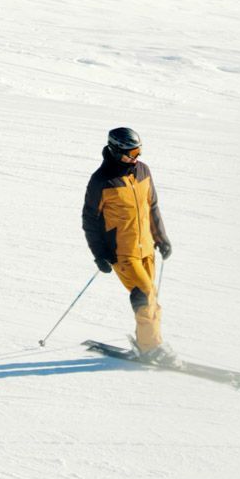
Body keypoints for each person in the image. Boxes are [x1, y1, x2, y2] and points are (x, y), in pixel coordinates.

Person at [81, 126, 173, 358]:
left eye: (138, 152)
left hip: (146, 247)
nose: (136, 158)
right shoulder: (102, 181)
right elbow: (90, 220)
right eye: (130, 154)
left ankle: (149, 343)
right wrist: (99, 253)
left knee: (151, 297)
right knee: (143, 293)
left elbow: (151, 206)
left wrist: (161, 237)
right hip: (122, 252)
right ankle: (150, 348)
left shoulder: (143, 171)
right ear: (114, 150)